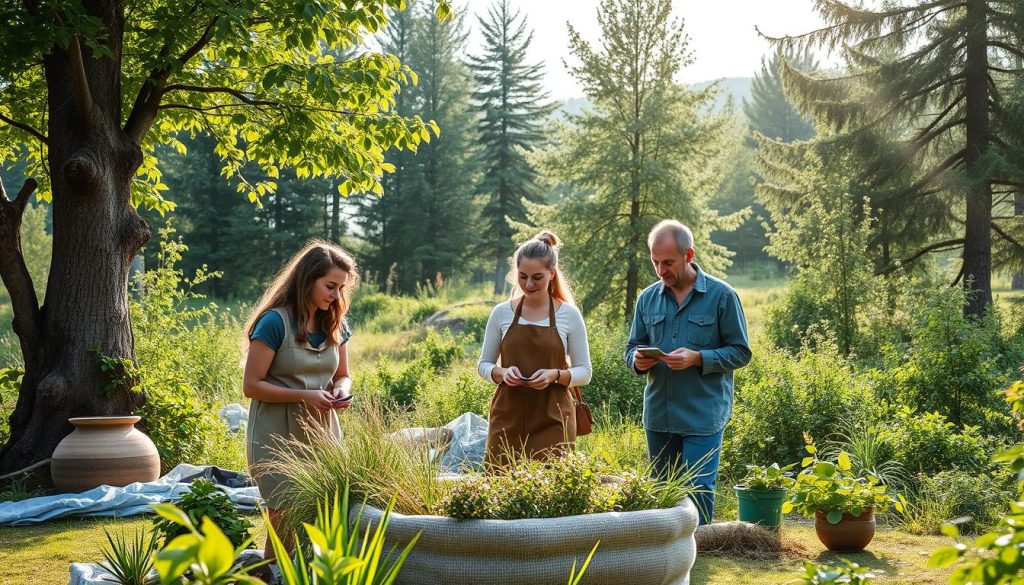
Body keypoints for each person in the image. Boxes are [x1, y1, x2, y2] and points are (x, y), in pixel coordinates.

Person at [625, 220, 751, 524]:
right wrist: (637, 361)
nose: (660, 270)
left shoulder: (722, 296)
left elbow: (741, 352)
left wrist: (698, 358)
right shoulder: (647, 298)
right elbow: (631, 348)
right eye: (655, 262)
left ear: (688, 255)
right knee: (661, 490)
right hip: (659, 414)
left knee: (698, 488)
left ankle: (701, 551)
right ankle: (667, 555)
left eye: (667, 262)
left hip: (702, 414)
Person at [242, 241, 357, 573]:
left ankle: (305, 575)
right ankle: (272, 574)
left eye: (340, 288)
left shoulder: (335, 323)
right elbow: (252, 385)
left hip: (324, 434)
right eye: (330, 286)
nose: (335, 295)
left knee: (322, 511)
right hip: (275, 434)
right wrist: (307, 396)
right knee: (283, 512)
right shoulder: (274, 323)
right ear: (308, 280)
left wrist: (341, 391)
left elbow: (343, 376)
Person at [478, 231, 593, 468]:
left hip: (554, 418)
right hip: (506, 415)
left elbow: (585, 372)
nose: (528, 285)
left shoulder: (568, 315)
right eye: (523, 277)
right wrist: (502, 373)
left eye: (537, 277)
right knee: (499, 489)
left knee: (551, 492)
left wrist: (556, 375)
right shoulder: (501, 313)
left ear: (552, 274)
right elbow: (483, 365)